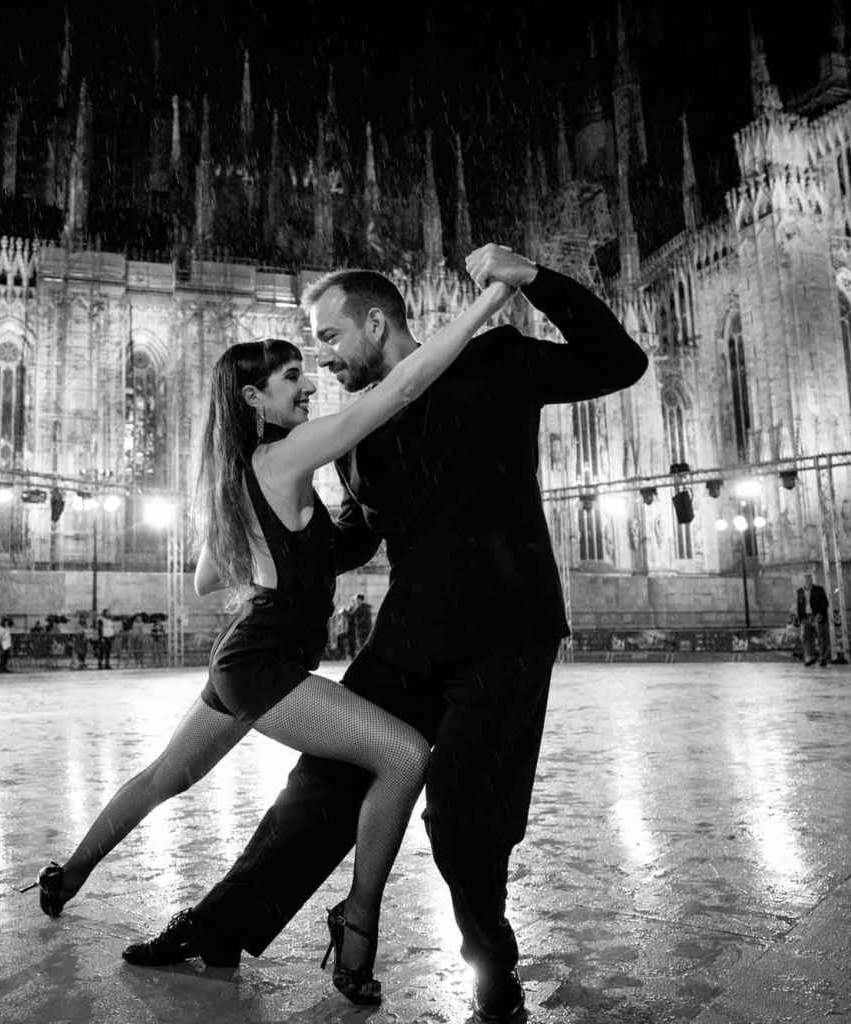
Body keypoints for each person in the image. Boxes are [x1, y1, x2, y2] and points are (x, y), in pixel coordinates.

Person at [120, 243, 648, 1024]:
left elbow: (619, 360)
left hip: (505, 630)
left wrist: (535, 281)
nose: (324, 360)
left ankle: (492, 968)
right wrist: (264, 528)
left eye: (332, 337)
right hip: (411, 636)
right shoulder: (361, 439)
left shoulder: (494, 363)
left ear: (376, 323)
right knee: (321, 786)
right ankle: (221, 924)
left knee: (462, 817)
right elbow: (353, 537)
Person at [32, 262, 515, 1006]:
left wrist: (272, 564)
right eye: (293, 378)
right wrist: (491, 299)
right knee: (403, 756)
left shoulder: (242, 472)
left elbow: (205, 578)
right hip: (265, 665)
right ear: (255, 399)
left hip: (245, 657)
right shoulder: (285, 457)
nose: (310, 385)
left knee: (166, 777)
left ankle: (68, 875)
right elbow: (400, 389)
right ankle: (358, 926)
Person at [805, 574, 830, 667]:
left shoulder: (818, 589)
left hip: (816, 616)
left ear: (812, 580)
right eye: (806, 580)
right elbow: (799, 604)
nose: (808, 581)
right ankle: (811, 657)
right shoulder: (801, 591)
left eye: (809, 579)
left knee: (821, 637)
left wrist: (820, 613)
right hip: (806, 617)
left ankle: (823, 658)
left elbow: (825, 603)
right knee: (807, 638)